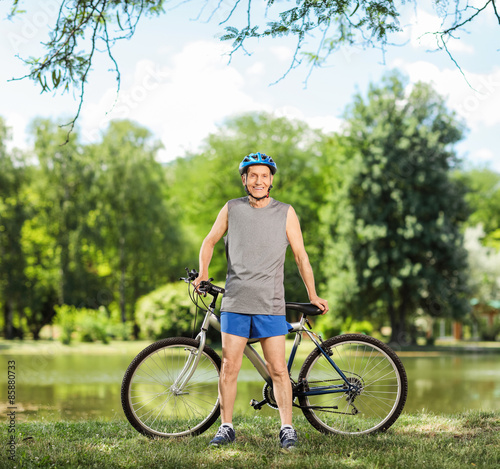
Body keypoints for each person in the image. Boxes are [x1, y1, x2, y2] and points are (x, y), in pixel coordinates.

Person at [195, 152, 328, 450]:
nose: (258, 180)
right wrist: (203, 272)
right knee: (229, 365)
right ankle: (226, 427)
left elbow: (300, 256)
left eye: (264, 176)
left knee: (278, 369)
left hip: (270, 302)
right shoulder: (231, 209)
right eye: (252, 175)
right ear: (244, 179)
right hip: (235, 302)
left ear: (270, 181)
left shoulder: (285, 212)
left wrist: (313, 294)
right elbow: (209, 241)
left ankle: (287, 428)